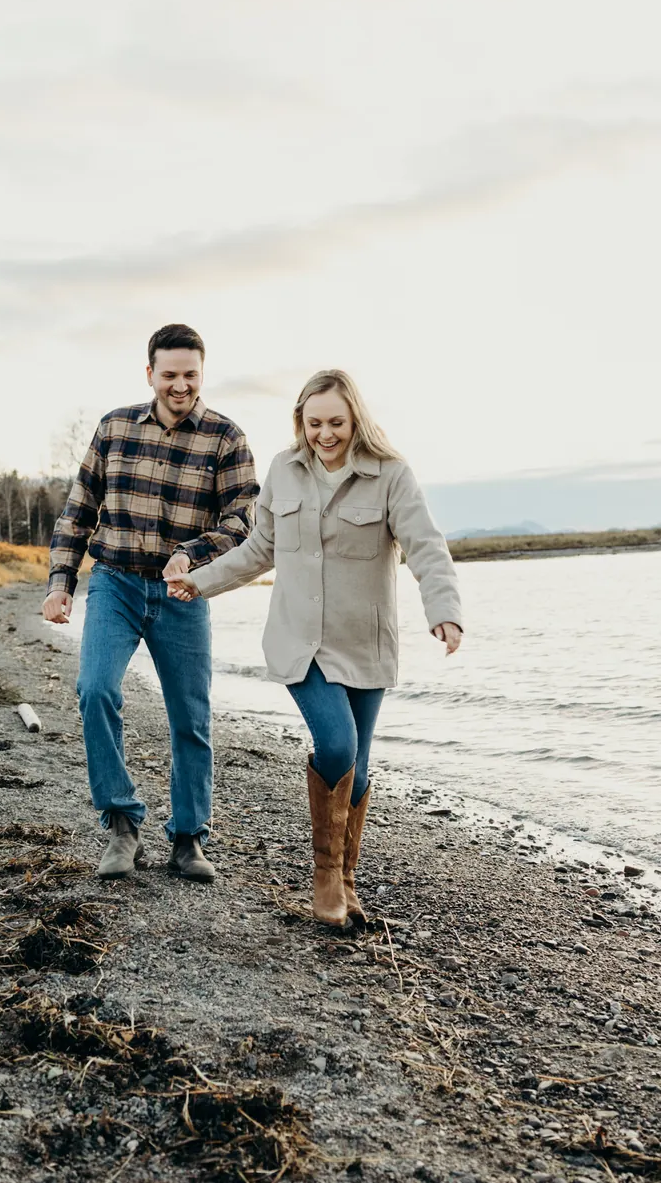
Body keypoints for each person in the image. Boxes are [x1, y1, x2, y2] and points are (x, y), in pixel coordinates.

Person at [167, 368, 462, 927]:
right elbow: (260, 548)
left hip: (366, 643)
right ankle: (324, 875)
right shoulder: (284, 469)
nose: (326, 434)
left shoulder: (391, 476)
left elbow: (426, 546)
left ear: (356, 420)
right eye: (315, 422)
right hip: (299, 640)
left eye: (337, 423)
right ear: (300, 420)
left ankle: (348, 885)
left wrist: (444, 611)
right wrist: (200, 581)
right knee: (337, 745)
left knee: (361, 765)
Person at [42, 324, 259, 883]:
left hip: (183, 593)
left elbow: (242, 521)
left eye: (191, 374)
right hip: (114, 582)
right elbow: (78, 510)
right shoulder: (114, 428)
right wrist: (60, 583)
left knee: (191, 716)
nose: (180, 385)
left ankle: (188, 839)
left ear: (202, 373)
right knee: (95, 690)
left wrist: (191, 553)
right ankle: (121, 824)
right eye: (170, 375)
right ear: (150, 374)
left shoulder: (226, 439)